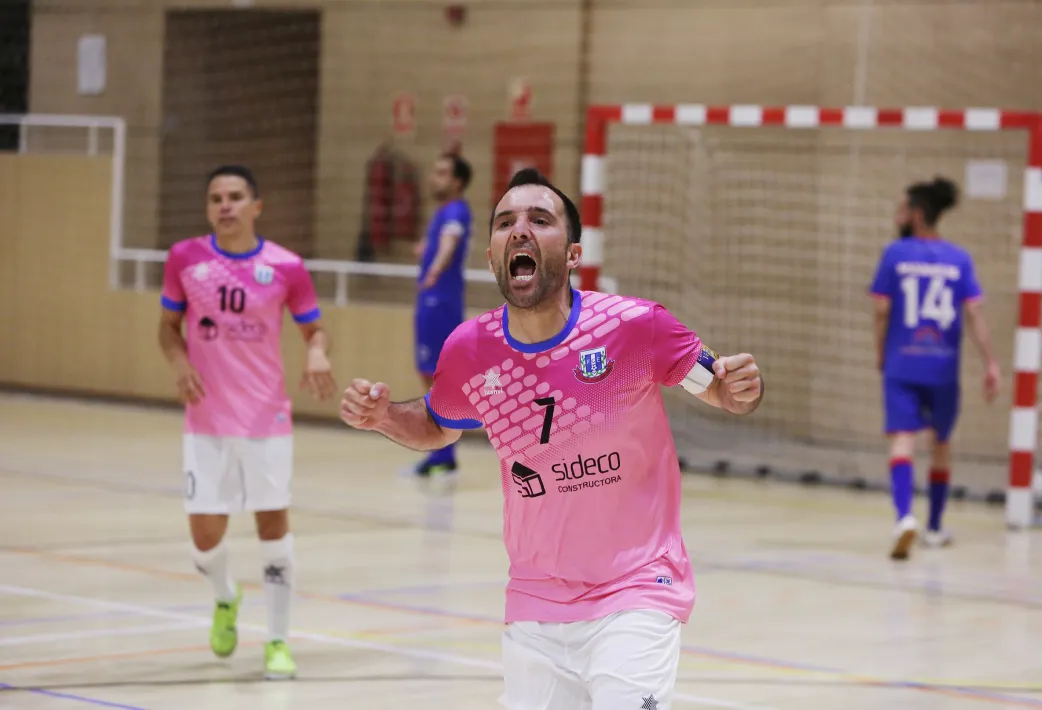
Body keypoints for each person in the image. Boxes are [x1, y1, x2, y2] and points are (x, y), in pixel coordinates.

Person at [340, 168, 764, 709]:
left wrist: (739, 391)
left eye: (540, 220)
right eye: (505, 223)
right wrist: (382, 416)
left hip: (635, 590)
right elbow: (435, 424)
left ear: (571, 254)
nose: (520, 230)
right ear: (493, 254)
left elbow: (720, 387)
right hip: (536, 600)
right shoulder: (470, 350)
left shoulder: (634, 327)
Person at [158, 164, 337, 679]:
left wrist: (318, 353)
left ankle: (277, 641)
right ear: (208, 208)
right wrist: (178, 363)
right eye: (216, 198)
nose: (225, 205)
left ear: (256, 206)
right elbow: (168, 328)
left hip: (266, 420)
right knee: (204, 540)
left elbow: (315, 330)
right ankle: (225, 597)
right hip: (206, 420)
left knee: (272, 527)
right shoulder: (184, 259)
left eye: (236, 196)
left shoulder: (286, 266)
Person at [869, 176, 1000, 561]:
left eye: (903, 207)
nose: (898, 214)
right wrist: (990, 362)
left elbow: (881, 309)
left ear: (918, 213)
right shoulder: (959, 258)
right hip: (943, 367)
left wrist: (880, 351)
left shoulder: (894, 253)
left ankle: (904, 517)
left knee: (902, 440)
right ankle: (936, 527)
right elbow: (974, 311)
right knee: (941, 444)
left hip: (902, 362)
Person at [409, 152, 474, 480]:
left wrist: (435, 269)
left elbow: (449, 243)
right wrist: (424, 249)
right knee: (427, 373)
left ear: (457, 181)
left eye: (442, 173)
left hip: (441, 303)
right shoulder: (443, 212)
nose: (435, 178)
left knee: (438, 376)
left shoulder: (457, 211)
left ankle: (444, 452)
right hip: (430, 301)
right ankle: (442, 450)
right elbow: (439, 240)